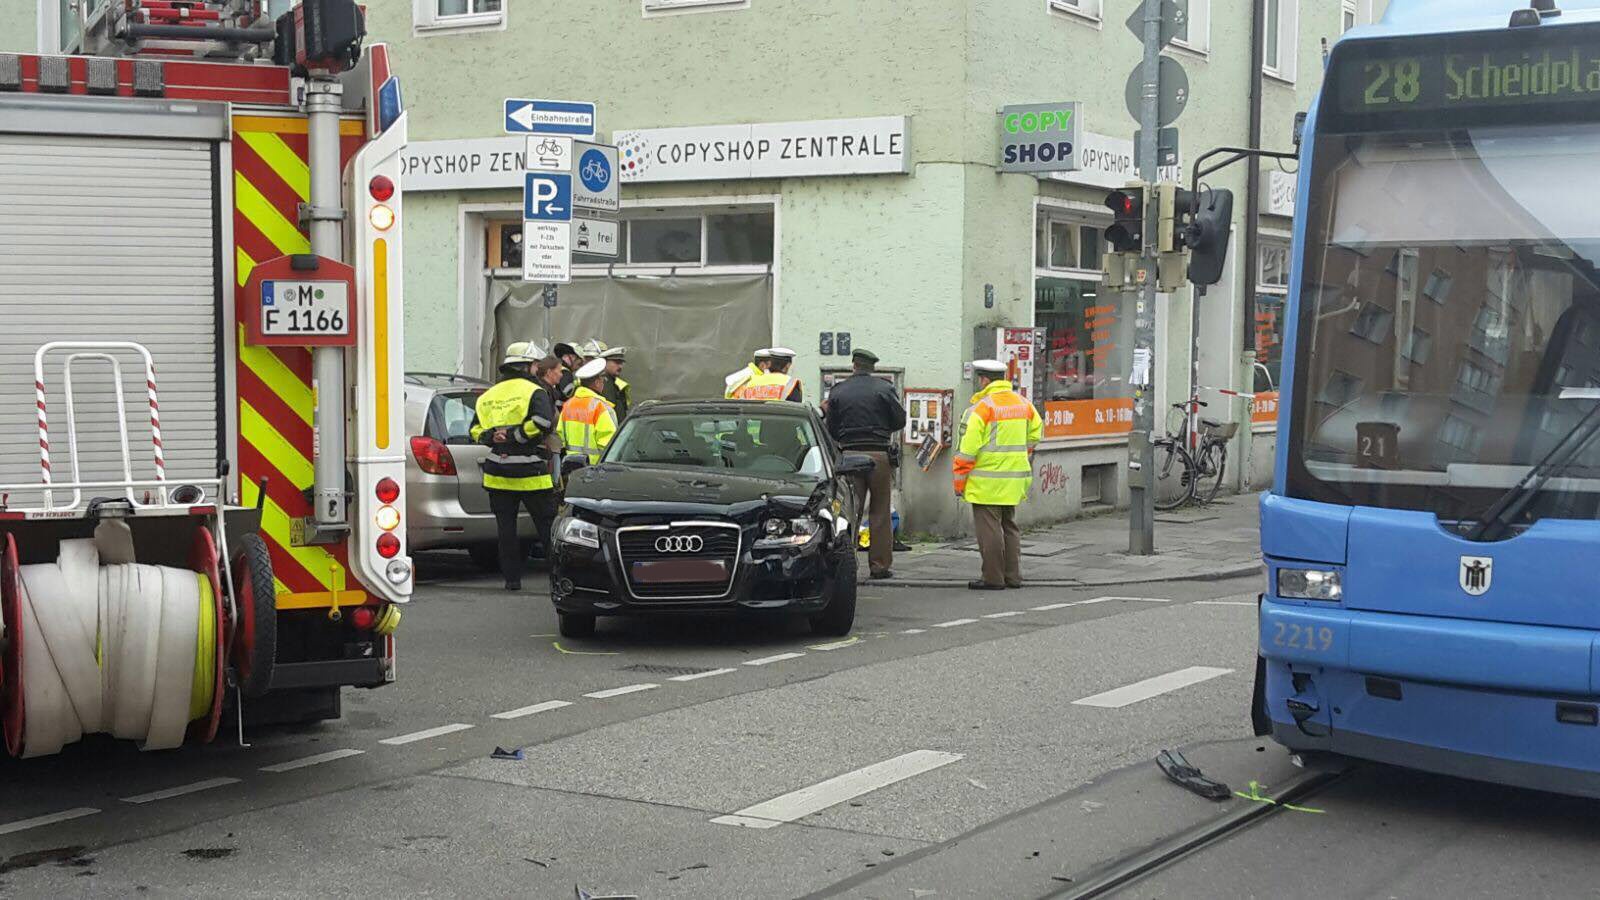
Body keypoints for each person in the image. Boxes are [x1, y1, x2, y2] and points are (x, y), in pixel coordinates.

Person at [468, 344, 563, 591]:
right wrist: (516, 436)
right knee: (546, 528)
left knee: (506, 531)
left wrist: (493, 437)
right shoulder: (535, 390)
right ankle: (559, 578)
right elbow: (542, 422)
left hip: (497, 473)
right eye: (535, 364)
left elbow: (474, 430)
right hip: (531, 470)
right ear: (528, 365)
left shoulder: (488, 395)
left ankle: (512, 581)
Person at [952, 359, 1042, 591]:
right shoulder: (1024, 404)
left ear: (983, 380)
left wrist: (959, 482)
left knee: (989, 529)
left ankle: (993, 577)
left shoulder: (981, 408)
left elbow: (967, 451)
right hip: (1015, 479)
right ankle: (1013, 576)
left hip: (986, 482)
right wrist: (1023, 453)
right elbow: (1036, 433)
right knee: (1009, 526)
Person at [823, 348, 906, 579]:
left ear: (854, 366)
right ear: (872, 368)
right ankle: (879, 566)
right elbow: (900, 420)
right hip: (879, 455)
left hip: (849, 456)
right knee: (880, 511)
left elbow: (830, 427)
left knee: (850, 511)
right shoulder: (884, 389)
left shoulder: (839, 390)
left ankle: (847, 564)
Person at [559, 358, 619, 466]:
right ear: (596, 383)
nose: (603, 384)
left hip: (570, 466)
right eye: (602, 381)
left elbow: (560, 435)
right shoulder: (600, 407)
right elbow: (609, 445)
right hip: (595, 469)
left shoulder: (568, 405)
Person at [733, 347, 802, 402]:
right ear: (787, 366)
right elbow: (796, 410)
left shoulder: (751, 382)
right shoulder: (790, 383)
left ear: (769, 364)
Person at [599, 346, 632, 421]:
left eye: (621, 363)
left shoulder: (614, 383)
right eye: (617, 362)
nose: (620, 366)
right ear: (604, 362)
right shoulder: (603, 383)